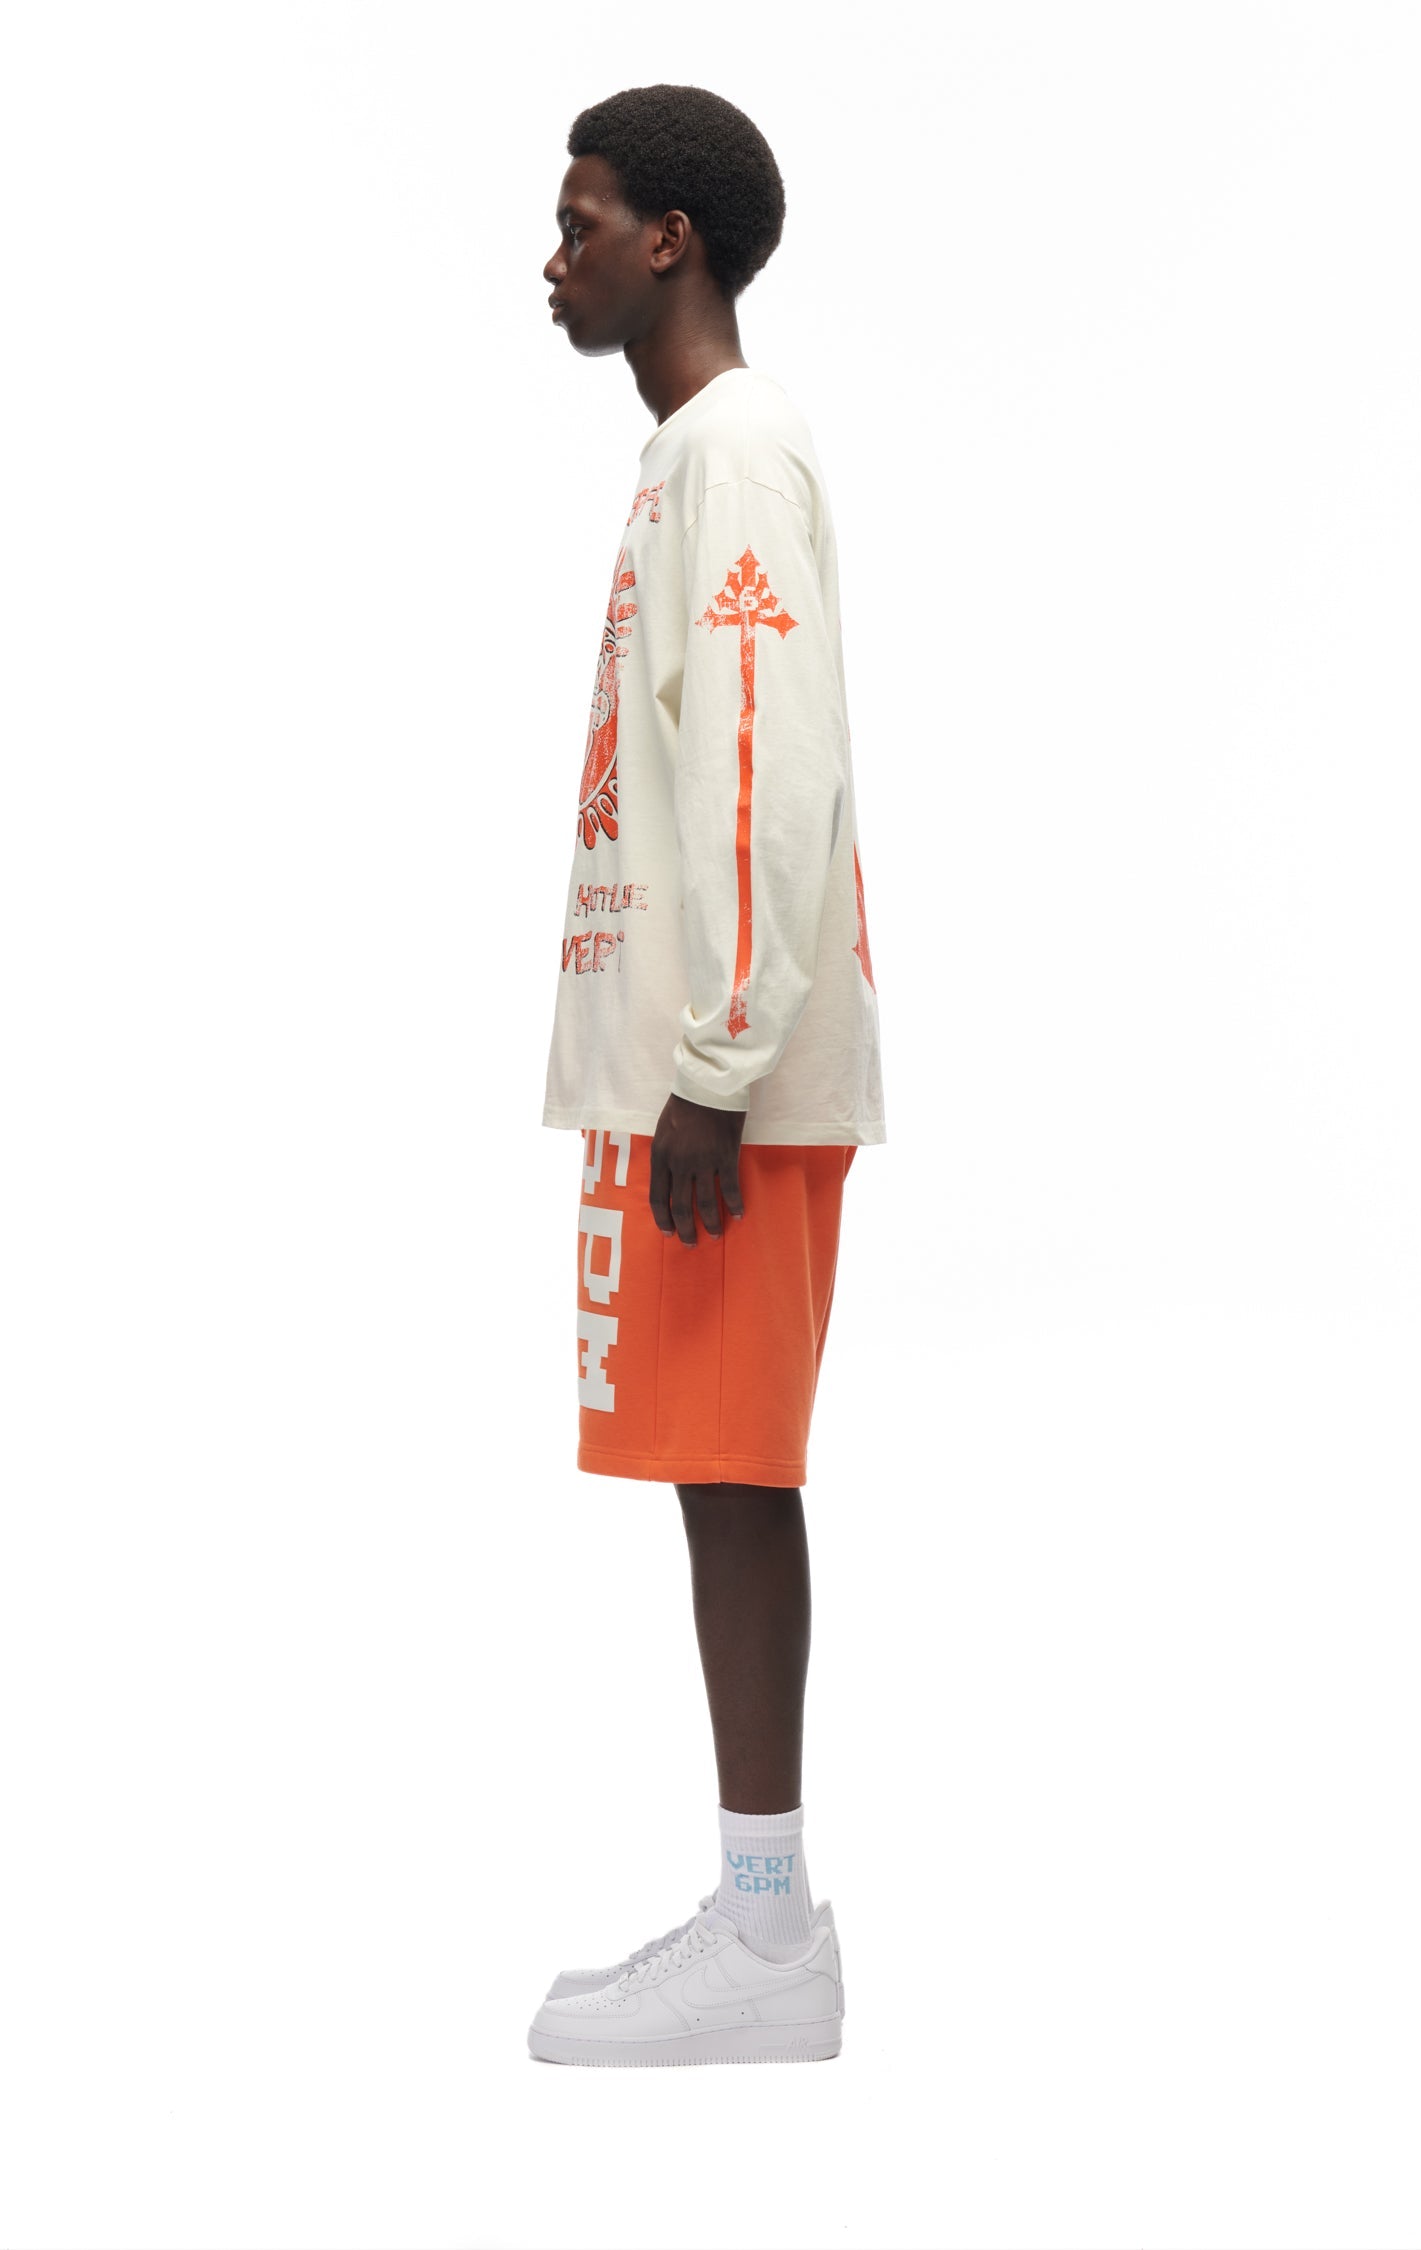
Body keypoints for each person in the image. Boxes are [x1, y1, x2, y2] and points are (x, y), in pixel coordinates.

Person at [528, 83, 886, 2068]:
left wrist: (719, 1065)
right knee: (714, 1467)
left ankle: (768, 1937)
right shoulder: (693, 456)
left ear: (670, 237)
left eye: (581, 219)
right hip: (694, 1066)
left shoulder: (735, 451)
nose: (554, 257)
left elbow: (768, 752)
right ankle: (759, 1912)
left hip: (719, 1079)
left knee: (740, 1471)